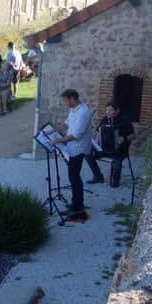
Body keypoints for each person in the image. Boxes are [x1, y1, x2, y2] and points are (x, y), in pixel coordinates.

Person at [52, 89, 92, 220]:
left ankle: (78, 207)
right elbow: (66, 124)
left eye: (65, 100)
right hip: (71, 148)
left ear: (72, 99)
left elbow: (76, 135)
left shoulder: (84, 112)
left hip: (78, 149)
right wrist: (52, 131)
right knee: (73, 177)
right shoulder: (74, 110)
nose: (65, 103)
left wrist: (57, 140)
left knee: (75, 178)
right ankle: (76, 204)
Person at [86, 102, 135, 188]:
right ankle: (98, 176)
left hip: (119, 150)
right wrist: (95, 145)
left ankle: (115, 179)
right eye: (107, 110)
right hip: (104, 149)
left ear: (117, 111)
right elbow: (98, 132)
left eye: (110, 110)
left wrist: (124, 139)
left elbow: (133, 135)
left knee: (114, 183)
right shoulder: (105, 119)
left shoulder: (125, 120)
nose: (108, 112)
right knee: (88, 154)